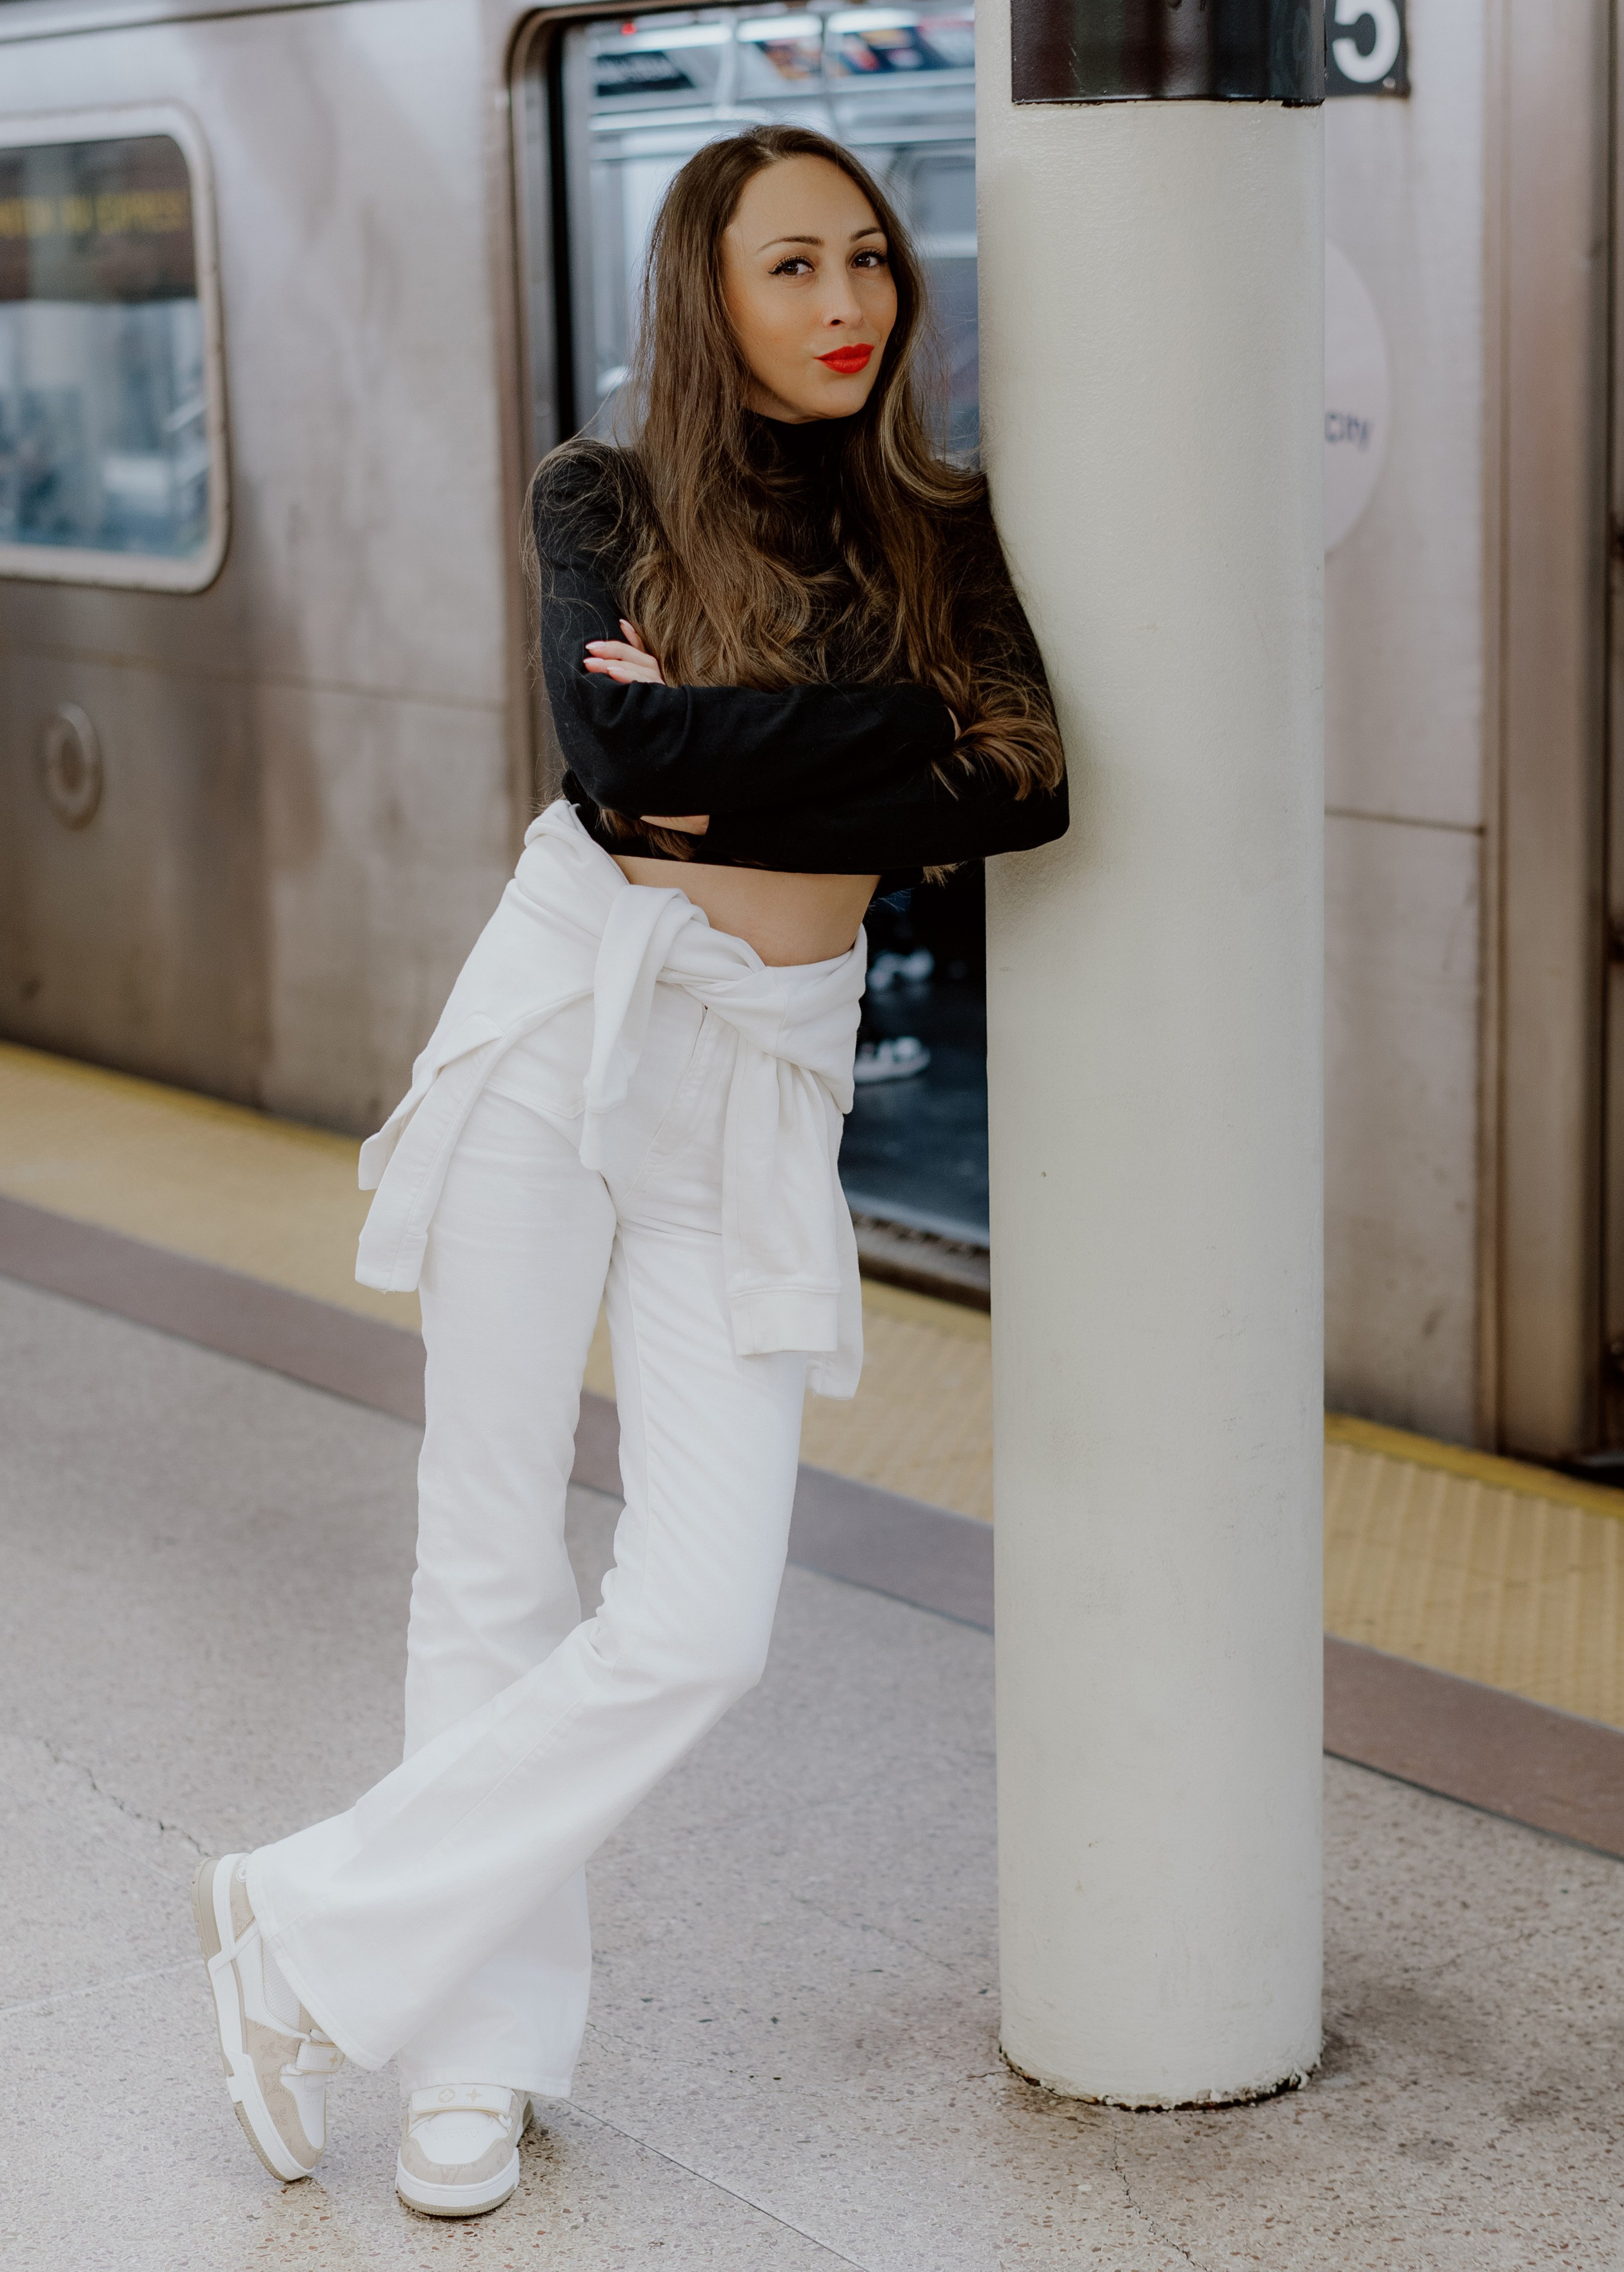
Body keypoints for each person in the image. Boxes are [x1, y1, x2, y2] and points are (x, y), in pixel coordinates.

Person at [190, 125, 1067, 2219]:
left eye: (870, 259)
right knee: (487, 1552)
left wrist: (733, 745)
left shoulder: (944, 525)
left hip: (760, 1077)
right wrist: (866, 739)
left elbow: (1024, 784)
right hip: (563, 1018)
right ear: (708, 290)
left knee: (700, 1620)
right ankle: (467, 2065)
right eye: (795, 266)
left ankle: (306, 1930)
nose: (851, 300)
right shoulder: (602, 496)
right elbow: (622, 773)